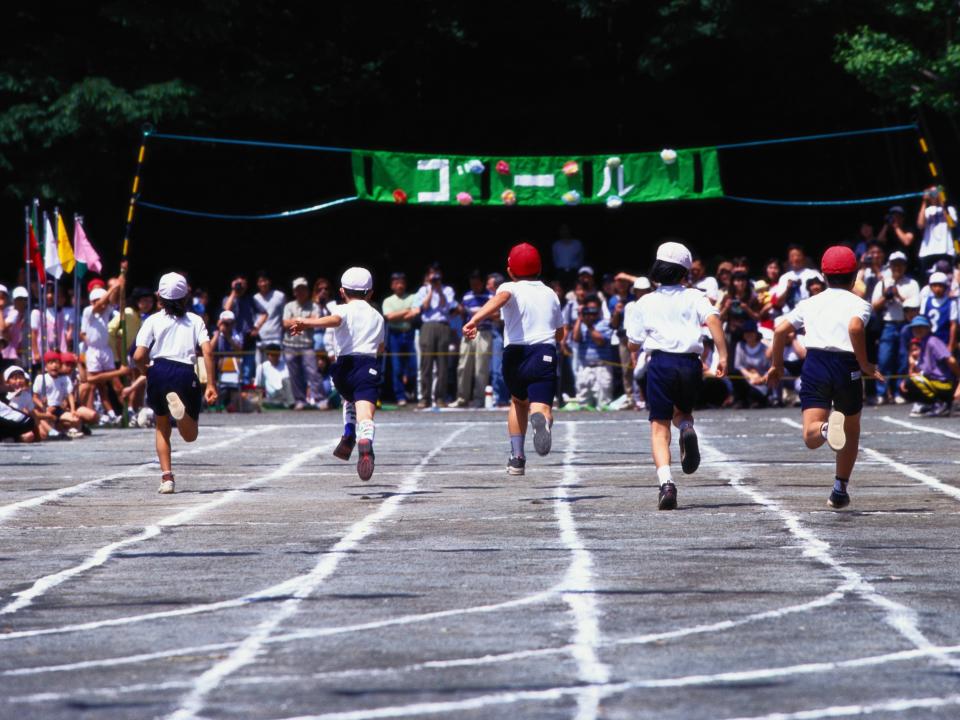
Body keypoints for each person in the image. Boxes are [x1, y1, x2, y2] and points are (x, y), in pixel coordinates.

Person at [764, 246, 882, 509]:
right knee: (851, 429)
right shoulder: (860, 304)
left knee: (810, 434)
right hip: (846, 366)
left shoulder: (809, 303)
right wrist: (864, 363)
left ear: (824, 275)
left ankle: (827, 429)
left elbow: (781, 330)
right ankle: (840, 489)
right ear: (854, 276)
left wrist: (777, 365)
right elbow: (854, 327)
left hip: (815, 364)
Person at [625, 241, 728, 510]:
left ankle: (666, 484)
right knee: (682, 412)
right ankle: (685, 428)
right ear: (686, 272)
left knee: (659, 427)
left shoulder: (645, 301)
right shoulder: (695, 296)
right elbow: (714, 320)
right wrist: (723, 356)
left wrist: (634, 347)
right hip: (690, 364)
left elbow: (633, 342)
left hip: (661, 363)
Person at [462, 243, 562, 476]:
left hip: (514, 355)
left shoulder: (509, 287)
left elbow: (501, 298)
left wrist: (474, 319)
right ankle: (541, 419)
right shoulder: (550, 293)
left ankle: (517, 458)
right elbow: (560, 334)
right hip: (543, 352)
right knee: (541, 406)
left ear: (510, 270)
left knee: (518, 402)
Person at [290, 267, 384, 480]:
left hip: (343, 368)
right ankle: (365, 438)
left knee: (348, 399)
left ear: (342, 292)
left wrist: (307, 323)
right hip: (367, 366)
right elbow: (380, 347)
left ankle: (349, 433)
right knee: (366, 415)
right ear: (370, 293)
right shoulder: (377, 317)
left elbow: (334, 321)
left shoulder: (342, 309)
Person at [134, 272, 217, 494]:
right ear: (186, 295)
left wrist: (145, 371)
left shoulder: (151, 320)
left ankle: (167, 478)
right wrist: (210, 385)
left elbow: (138, 355)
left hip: (158, 370)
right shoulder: (195, 320)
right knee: (190, 436)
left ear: (159, 296)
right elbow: (207, 351)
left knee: (161, 426)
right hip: (184, 372)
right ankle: (182, 415)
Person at [871, 251, 920, 404]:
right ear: (890, 266)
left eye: (900, 264)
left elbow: (915, 306)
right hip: (889, 323)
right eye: (894, 264)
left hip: (906, 324)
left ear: (905, 266)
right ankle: (882, 392)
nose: (897, 267)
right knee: (884, 359)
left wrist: (898, 295)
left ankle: (900, 391)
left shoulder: (912, 284)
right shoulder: (883, 283)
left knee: (903, 359)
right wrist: (886, 295)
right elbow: (874, 306)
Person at [414, 267, 457, 408]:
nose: (434, 278)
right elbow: (424, 307)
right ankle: (425, 398)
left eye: (437, 275)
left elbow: (448, 305)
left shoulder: (447, 290)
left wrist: (439, 290)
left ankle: (440, 397)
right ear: (428, 276)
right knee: (426, 363)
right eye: (432, 275)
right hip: (427, 326)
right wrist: (431, 290)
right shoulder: (423, 290)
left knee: (442, 363)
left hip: (443, 325)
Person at [899, 315, 960, 417]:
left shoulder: (933, 341)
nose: (917, 330)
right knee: (905, 386)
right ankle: (929, 404)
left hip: (944, 382)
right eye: (915, 328)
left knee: (911, 382)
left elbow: (951, 360)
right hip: (933, 381)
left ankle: (939, 404)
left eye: (921, 327)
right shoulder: (922, 343)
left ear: (928, 328)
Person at [452, 270, 493, 408]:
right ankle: (462, 398)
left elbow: (497, 315)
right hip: (469, 333)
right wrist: (460, 310)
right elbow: (461, 314)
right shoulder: (467, 296)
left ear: (482, 283)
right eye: (472, 284)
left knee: (481, 367)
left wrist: (481, 313)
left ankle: (479, 398)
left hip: (484, 332)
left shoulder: (490, 296)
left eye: (476, 284)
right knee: (463, 366)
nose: (474, 286)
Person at [282, 277, 323, 410]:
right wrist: (305, 321)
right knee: (294, 375)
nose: (301, 292)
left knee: (313, 372)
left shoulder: (314, 305)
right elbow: (285, 323)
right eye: (298, 289)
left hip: (307, 345)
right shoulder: (289, 306)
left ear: (307, 290)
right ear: (294, 291)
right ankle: (300, 400)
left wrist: (296, 320)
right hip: (290, 345)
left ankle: (320, 399)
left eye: (303, 289)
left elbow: (317, 321)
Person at [381, 272, 418, 406]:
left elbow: (415, 313)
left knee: (413, 366)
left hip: (410, 333)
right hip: (394, 335)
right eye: (396, 282)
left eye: (402, 282)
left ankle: (410, 391)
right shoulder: (388, 300)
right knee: (397, 368)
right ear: (392, 285)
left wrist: (400, 314)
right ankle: (400, 396)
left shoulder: (413, 297)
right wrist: (407, 311)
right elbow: (389, 317)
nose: (400, 285)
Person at [573, 294, 616, 408]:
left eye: (594, 310)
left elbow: (600, 341)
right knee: (583, 404)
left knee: (604, 404)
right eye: (589, 310)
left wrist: (590, 326)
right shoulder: (581, 324)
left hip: (602, 368)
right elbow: (576, 338)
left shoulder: (605, 324)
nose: (591, 314)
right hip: (585, 368)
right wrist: (580, 317)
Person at [222, 274, 257, 383]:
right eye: (238, 284)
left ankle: (245, 398)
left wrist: (257, 327)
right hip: (231, 338)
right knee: (230, 374)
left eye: (242, 284)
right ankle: (231, 397)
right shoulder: (228, 298)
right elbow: (226, 309)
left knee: (247, 372)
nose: (240, 287)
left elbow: (264, 313)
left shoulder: (250, 299)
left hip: (248, 339)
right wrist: (234, 291)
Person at [915, 187, 957, 276]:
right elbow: (920, 225)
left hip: (945, 251)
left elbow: (952, 224)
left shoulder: (950, 209)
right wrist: (924, 202)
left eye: (935, 193)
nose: (934, 196)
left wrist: (942, 200)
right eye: (932, 194)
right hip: (928, 252)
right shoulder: (927, 211)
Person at [772, 245, 823, 314]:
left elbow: (824, 296)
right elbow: (778, 303)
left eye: (798, 255)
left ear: (804, 257)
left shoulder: (814, 274)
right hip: (790, 316)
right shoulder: (784, 278)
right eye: (792, 256)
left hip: (810, 313)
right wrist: (788, 289)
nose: (795, 258)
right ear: (789, 259)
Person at [733, 320, 773, 408]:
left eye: (751, 332)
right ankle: (741, 401)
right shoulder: (740, 346)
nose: (749, 335)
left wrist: (761, 379)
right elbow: (738, 365)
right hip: (746, 380)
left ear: (756, 334)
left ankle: (760, 400)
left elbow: (770, 368)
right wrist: (750, 375)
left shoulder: (765, 349)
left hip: (761, 383)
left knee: (755, 394)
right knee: (734, 375)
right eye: (746, 332)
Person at [919, 271, 958, 351]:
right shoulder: (925, 301)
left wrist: (951, 344)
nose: (937, 288)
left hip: (944, 340)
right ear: (930, 287)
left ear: (945, 287)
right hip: (927, 340)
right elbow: (922, 321)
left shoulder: (951, 303)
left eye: (940, 286)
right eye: (935, 285)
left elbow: (953, 325)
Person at [1, 366, 39, 442]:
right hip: (6, 425)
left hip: (20, 425)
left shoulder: (27, 396)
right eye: (14, 379)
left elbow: (33, 414)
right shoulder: (4, 396)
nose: (18, 381)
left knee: (29, 436)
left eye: (21, 378)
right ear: (7, 382)